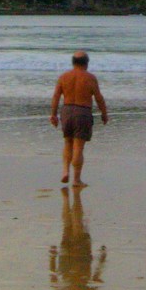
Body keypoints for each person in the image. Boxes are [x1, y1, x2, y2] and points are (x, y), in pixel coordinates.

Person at [50, 50, 108, 187]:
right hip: (82, 112)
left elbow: (56, 96)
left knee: (67, 142)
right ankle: (76, 179)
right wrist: (104, 113)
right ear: (86, 63)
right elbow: (99, 98)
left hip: (67, 111)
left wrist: (53, 114)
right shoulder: (90, 78)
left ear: (73, 62)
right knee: (78, 147)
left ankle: (65, 170)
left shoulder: (64, 77)